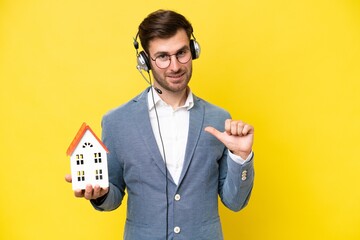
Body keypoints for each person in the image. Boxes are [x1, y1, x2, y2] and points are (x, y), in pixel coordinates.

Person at [65, 9, 255, 240]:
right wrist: (100, 194)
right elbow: (112, 197)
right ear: (145, 60)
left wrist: (241, 157)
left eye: (181, 53)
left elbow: (235, 202)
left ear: (193, 51)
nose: (175, 66)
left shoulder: (218, 118)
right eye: (163, 56)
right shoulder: (117, 121)